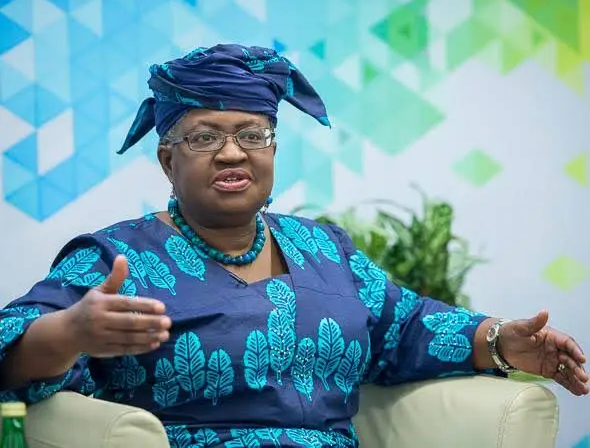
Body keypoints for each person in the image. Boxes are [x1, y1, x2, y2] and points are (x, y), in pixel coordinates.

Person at [0, 44, 587, 448]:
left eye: (251, 134)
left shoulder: (324, 249)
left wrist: (501, 342)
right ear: (167, 160)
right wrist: (70, 332)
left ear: (273, 150)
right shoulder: (116, 259)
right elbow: (11, 348)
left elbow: (405, 328)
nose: (233, 153)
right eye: (204, 137)